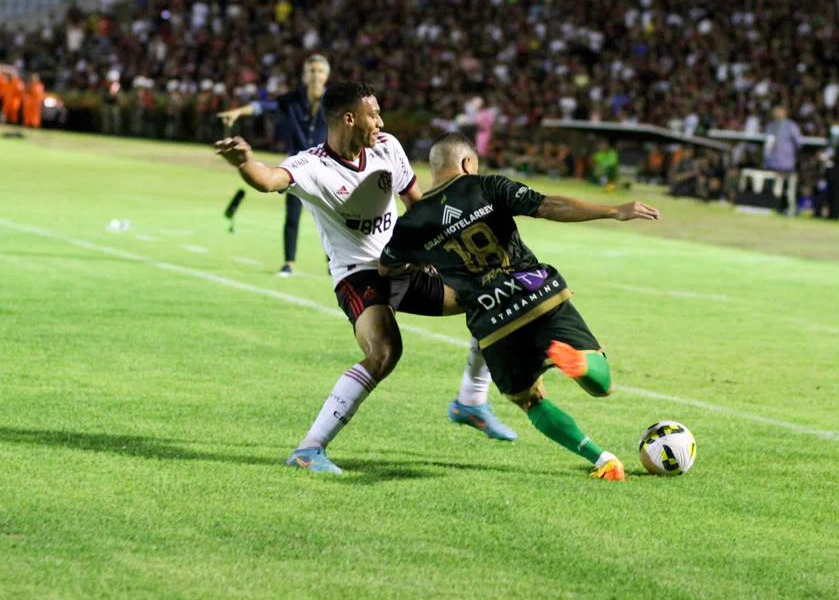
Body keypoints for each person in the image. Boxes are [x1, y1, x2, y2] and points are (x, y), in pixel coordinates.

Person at [215, 82, 516, 474]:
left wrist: (432, 252)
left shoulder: (387, 147)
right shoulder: (313, 166)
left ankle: (472, 401)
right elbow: (270, 178)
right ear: (349, 118)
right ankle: (309, 450)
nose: (381, 121)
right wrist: (243, 163)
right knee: (385, 351)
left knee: (493, 295)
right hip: (359, 276)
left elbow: (418, 204)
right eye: (374, 114)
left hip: (404, 264)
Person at [379, 133, 660, 482]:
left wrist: (423, 261)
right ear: (468, 163)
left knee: (531, 401)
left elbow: (387, 267)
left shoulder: (412, 223)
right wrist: (615, 210)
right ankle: (579, 362)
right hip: (538, 295)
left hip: (492, 321)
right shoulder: (487, 186)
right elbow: (548, 206)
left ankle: (603, 460)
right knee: (600, 383)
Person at [218, 55, 330, 278]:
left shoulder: (334, 101)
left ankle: (333, 262)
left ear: (326, 75)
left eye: (319, 71)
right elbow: (264, 107)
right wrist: (239, 112)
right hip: (298, 167)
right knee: (292, 216)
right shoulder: (292, 99)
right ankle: (288, 263)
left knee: (331, 217)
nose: (315, 75)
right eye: (311, 70)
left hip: (327, 167)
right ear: (304, 75)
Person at [763, 105, 802, 215]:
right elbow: (767, 145)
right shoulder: (770, 127)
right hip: (771, 163)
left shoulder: (791, 126)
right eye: (775, 111)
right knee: (773, 187)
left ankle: (790, 209)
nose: (776, 114)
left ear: (785, 112)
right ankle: (774, 207)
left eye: (779, 111)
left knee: (788, 188)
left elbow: (799, 143)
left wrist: (789, 153)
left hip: (787, 164)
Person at [817, 123, 839, 220]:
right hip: (830, 172)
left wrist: (832, 158)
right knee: (829, 194)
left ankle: (835, 215)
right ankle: (829, 214)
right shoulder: (830, 140)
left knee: (837, 195)